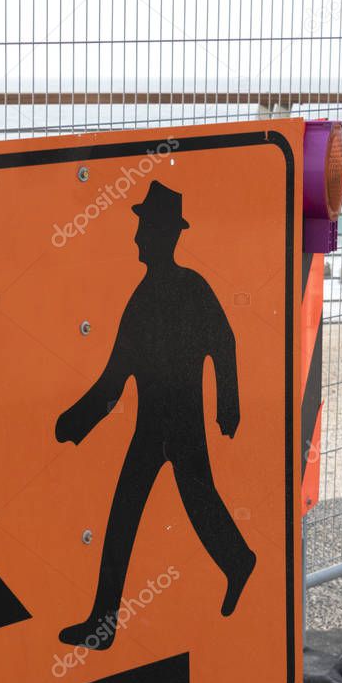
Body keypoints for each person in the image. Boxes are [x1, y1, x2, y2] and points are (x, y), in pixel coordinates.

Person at [55, 181, 256, 650]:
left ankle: (237, 561)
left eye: (142, 227)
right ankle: (106, 623)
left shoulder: (191, 288)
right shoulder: (141, 300)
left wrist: (229, 401)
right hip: (151, 427)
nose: (135, 237)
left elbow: (224, 342)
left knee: (198, 506)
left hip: (183, 425)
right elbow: (117, 376)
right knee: (130, 515)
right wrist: (75, 422)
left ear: (162, 234)